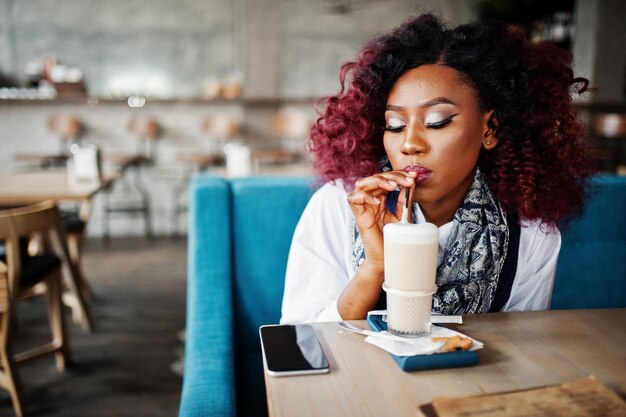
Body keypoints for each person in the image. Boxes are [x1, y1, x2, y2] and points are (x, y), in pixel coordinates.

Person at [280, 13, 592, 323]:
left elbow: (525, 353)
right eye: (395, 125)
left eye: (436, 121)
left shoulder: (529, 231)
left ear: (490, 129)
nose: (410, 144)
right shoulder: (338, 205)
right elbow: (301, 344)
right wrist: (374, 267)